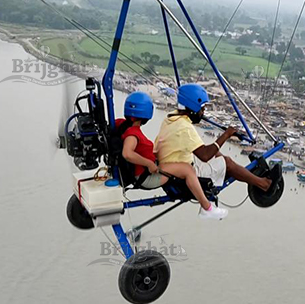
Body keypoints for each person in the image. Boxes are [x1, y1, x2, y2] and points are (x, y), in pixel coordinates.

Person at [154, 84, 281, 217]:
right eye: (201, 109)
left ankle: (243, 173)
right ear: (193, 107)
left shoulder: (170, 118)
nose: (202, 113)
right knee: (226, 161)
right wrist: (226, 135)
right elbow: (204, 156)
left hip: (173, 166)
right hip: (180, 175)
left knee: (218, 154)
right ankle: (264, 184)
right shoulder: (184, 127)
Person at [118, 91, 227, 220]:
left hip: (144, 172)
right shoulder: (132, 133)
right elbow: (127, 153)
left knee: (183, 163)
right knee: (188, 170)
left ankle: (206, 206)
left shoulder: (122, 125)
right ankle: (207, 208)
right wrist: (148, 163)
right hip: (146, 177)